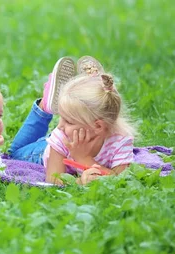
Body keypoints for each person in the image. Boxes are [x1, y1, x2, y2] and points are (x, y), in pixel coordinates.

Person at [8, 56, 137, 185]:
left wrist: (85, 159)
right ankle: (44, 106)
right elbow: (53, 179)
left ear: (97, 126)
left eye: (69, 121)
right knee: (15, 153)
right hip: (42, 153)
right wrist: (79, 180)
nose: (59, 126)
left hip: (62, 141)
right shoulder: (61, 136)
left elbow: (120, 179)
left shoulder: (121, 141)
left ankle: (91, 88)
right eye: (62, 118)